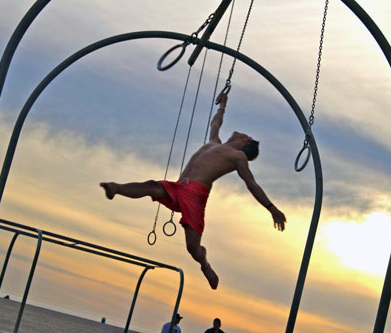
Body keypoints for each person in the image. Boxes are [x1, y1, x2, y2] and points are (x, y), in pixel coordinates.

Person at [100, 93, 287, 289]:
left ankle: (204, 264)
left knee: (192, 247)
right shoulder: (214, 142)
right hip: (179, 186)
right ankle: (116, 188)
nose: (240, 132)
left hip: (196, 196)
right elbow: (215, 123)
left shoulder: (238, 156)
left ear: (246, 141)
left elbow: (252, 184)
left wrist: (271, 208)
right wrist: (223, 104)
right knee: (153, 186)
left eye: (244, 135)